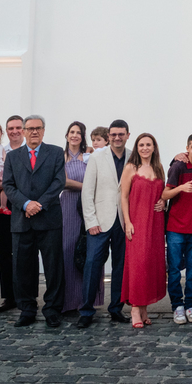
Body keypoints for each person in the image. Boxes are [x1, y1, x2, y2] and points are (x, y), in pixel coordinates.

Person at [3, 115, 67, 327]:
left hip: (49, 219)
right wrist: (25, 204)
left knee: (53, 267)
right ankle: (27, 309)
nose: (34, 132)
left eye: (38, 128)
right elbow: (8, 185)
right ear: (22, 131)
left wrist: (38, 204)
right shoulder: (12, 157)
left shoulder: (56, 152)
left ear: (43, 130)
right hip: (22, 221)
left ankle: (52, 309)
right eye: (29, 128)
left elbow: (59, 181)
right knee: (23, 268)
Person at [77, 120, 132, 328]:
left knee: (120, 266)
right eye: (114, 134)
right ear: (109, 135)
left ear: (128, 134)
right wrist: (90, 220)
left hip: (123, 220)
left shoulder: (133, 156)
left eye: (121, 134)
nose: (117, 137)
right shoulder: (98, 157)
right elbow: (87, 190)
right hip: (99, 221)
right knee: (92, 264)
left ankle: (116, 308)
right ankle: (86, 310)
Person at [120, 132, 167, 328]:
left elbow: (163, 191)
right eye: (141, 145)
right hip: (137, 222)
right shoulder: (131, 168)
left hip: (156, 223)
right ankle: (134, 308)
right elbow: (123, 197)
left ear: (154, 147)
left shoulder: (159, 168)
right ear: (137, 148)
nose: (145, 148)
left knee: (150, 264)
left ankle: (145, 307)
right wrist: (128, 222)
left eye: (149, 144)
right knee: (138, 265)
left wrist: (164, 201)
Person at [164, 133, 192, 324]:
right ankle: (177, 306)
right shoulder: (178, 166)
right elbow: (165, 194)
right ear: (187, 148)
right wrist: (180, 188)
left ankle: (190, 305)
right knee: (174, 270)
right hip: (175, 227)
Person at [61, 121, 98, 314]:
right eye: (71, 132)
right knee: (67, 249)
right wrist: (87, 187)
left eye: (79, 133)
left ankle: (88, 299)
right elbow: (63, 181)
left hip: (89, 205)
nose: (75, 135)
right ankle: (69, 301)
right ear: (66, 135)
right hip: (68, 205)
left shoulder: (90, 156)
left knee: (88, 250)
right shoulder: (61, 156)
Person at [0, 115, 23, 312]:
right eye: (10, 128)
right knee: (4, 252)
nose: (14, 131)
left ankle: (24, 295)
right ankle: (8, 296)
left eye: (18, 128)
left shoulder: (30, 151)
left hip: (24, 206)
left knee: (24, 253)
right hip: (3, 207)